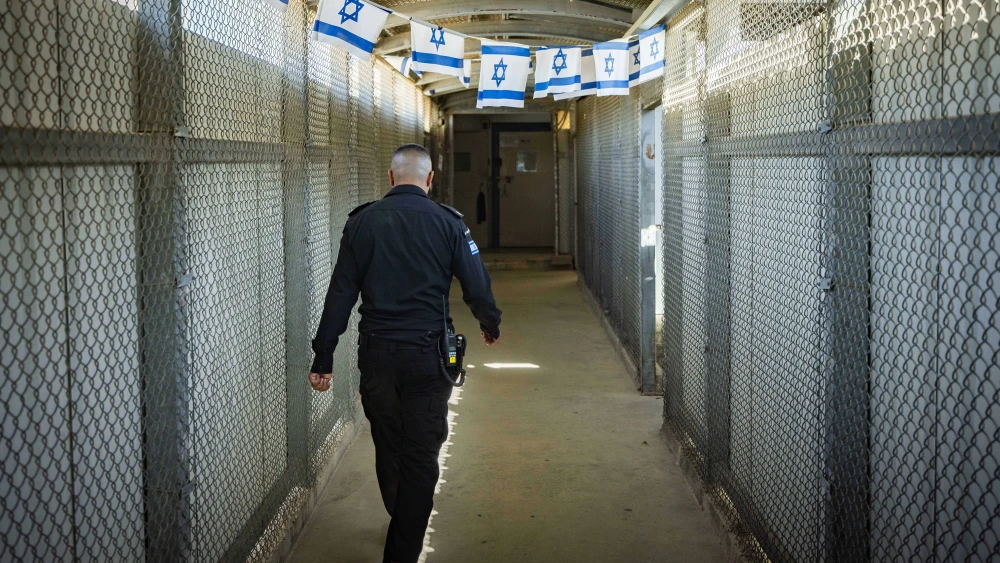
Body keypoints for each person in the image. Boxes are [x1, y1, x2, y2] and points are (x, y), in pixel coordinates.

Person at [308, 143, 502, 563]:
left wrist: (324, 355)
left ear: (391, 177)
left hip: (377, 355)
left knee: (388, 441)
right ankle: (405, 539)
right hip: (428, 356)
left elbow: (340, 294)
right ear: (430, 179)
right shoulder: (449, 223)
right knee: (421, 452)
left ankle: (402, 520)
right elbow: (476, 285)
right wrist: (490, 323)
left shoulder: (362, 223)